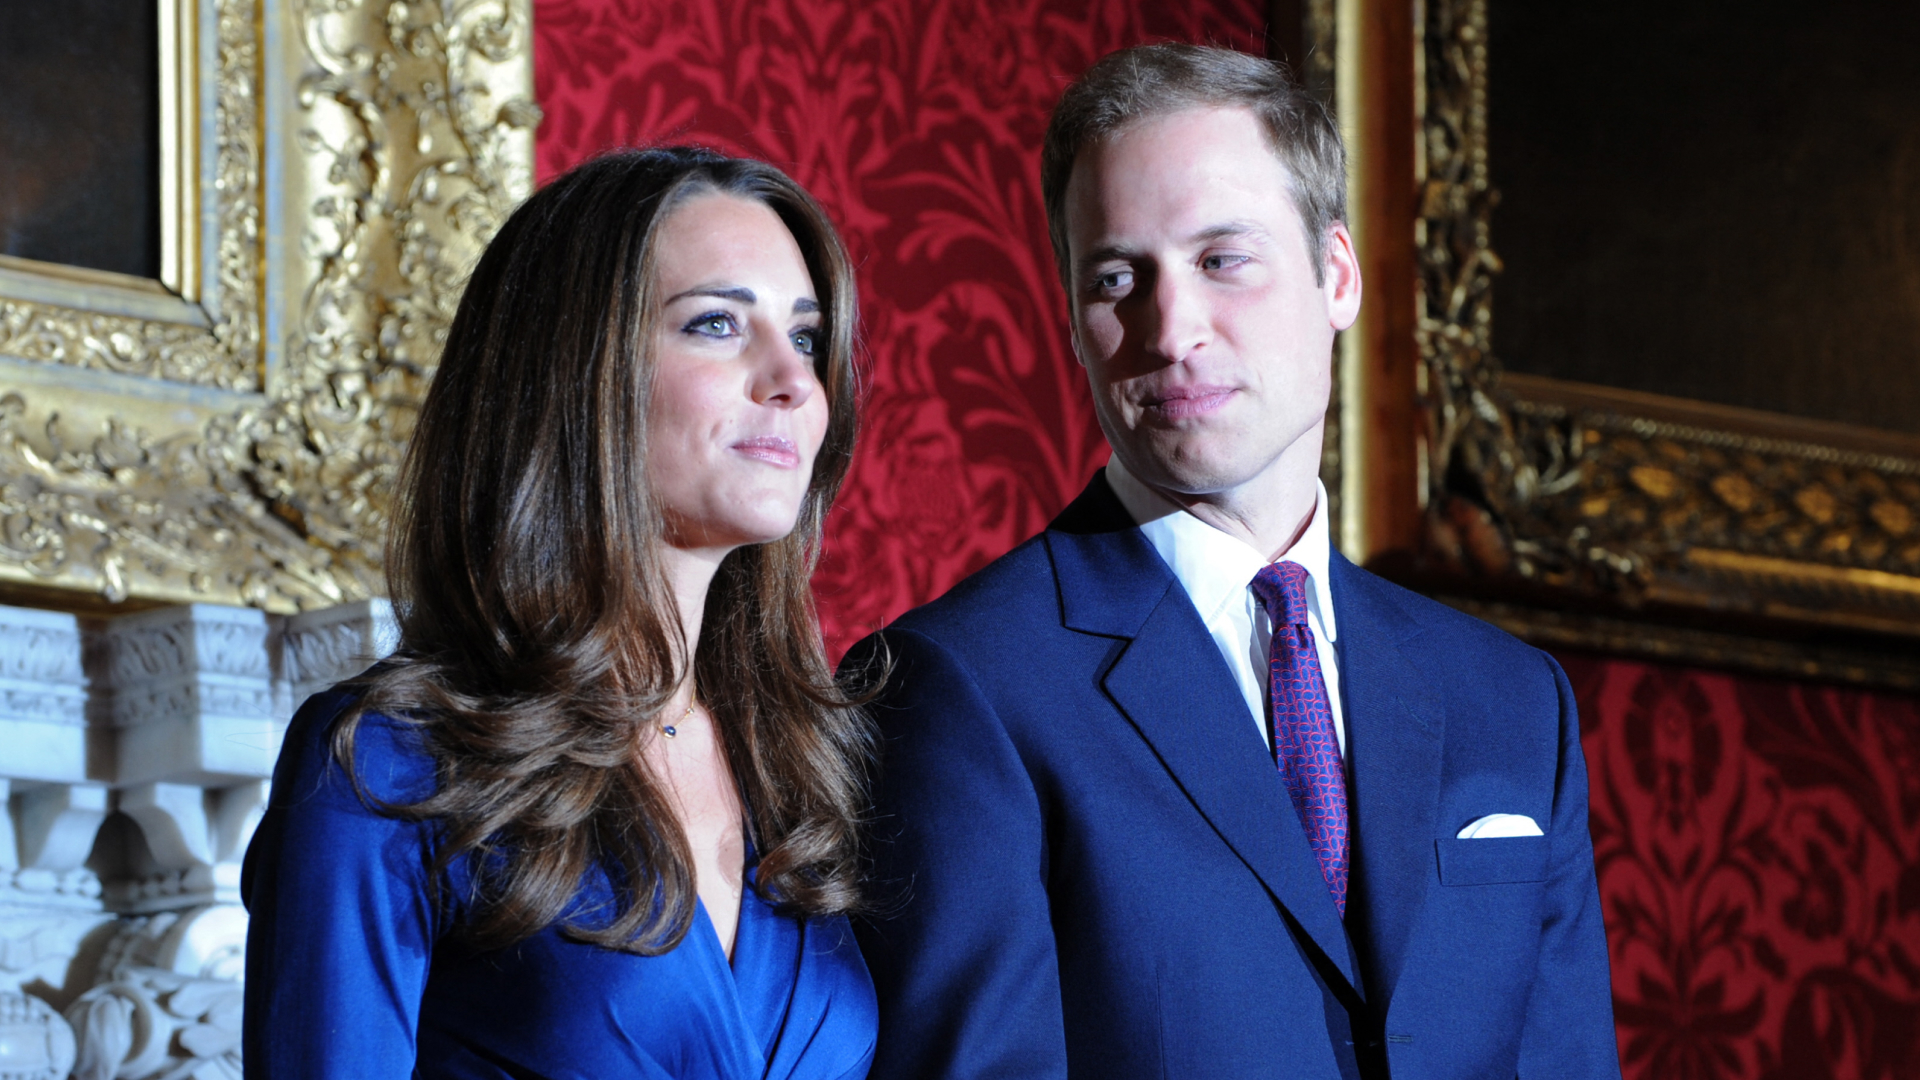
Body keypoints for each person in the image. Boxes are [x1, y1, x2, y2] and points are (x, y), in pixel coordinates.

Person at [844, 45, 1620, 1080]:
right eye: (1118, 279)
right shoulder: (956, 687)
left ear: (1335, 273)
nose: (1172, 331)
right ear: (1075, 321)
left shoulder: (1514, 700)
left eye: (1223, 260)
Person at [242, 147, 877, 1080]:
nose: (792, 380)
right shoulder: (385, 761)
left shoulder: (802, 763)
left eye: (807, 338)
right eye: (715, 324)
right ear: (576, 371)